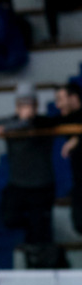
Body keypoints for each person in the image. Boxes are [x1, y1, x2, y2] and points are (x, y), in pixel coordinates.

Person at [0, 83, 59, 246]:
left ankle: (42, 261)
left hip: (41, 185)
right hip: (18, 184)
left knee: (39, 234)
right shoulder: (9, 122)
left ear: (36, 106)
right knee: (9, 218)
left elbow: (26, 124)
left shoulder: (43, 122)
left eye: (30, 104)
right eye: (22, 104)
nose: (26, 108)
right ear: (16, 106)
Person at [56, 82, 82, 235]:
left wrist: (78, 139)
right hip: (79, 183)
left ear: (73, 97)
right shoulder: (65, 119)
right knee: (79, 224)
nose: (58, 105)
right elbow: (40, 121)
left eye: (60, 99)